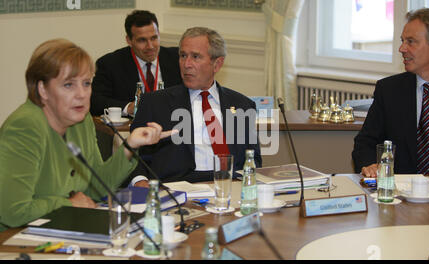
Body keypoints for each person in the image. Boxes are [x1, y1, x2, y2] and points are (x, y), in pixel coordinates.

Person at [0, 39, 174, 231]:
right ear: (43, 89)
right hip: (14, 240)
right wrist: (69, 203)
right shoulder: (25, 127)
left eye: (86, 83)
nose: (81, 94)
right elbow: (13, 211)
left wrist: (130, 146)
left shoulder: (81, 122)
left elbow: (96, 188)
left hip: (64, 229)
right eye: (68, 85)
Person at [130, 27, 262, 184]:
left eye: (195, 57)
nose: (186, 64)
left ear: (217, 64)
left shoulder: (242, 105)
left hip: (229, 185)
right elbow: (132, 156)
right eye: (183, 56)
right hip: (177, 189)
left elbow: (253, 161)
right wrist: (140, 181)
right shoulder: (155, 103)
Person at [352, 8, 429, 177]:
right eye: (402, 41)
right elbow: (365, 143)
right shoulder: (389, 90)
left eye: (410, 41)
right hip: (401, 196)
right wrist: (369, 165)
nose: (402, 48)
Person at [90, 10, 182, 116]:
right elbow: (95, 102)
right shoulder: (110, 64)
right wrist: (129, 108)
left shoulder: (177, 58)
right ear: (129, 40)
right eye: (142, 40)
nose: (150, 46)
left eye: (154, 38)